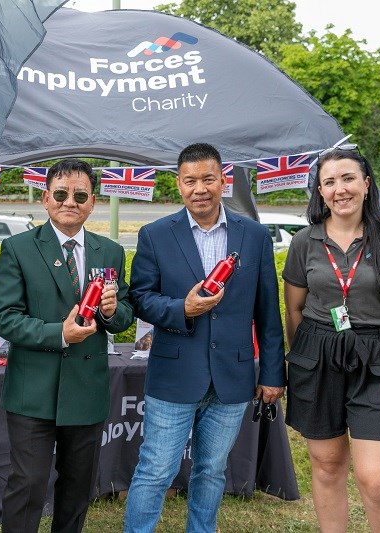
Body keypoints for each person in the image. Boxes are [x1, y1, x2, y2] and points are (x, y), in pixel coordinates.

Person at [124, 142, 285, 533]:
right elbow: (141, 298)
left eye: (208, 178)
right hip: (174, 375)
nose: (200, 188)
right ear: (179, 185)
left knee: (212, 470)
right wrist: (183, 309)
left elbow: (268, 309)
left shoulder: (254, 236)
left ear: (223, 181)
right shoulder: (155, 234)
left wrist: (273, 374)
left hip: (233, 377)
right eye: (190, 180)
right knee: (156, 470)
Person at [282, 146, 380, 531]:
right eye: (329, 182)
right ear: (320, 192)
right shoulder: (304, 243)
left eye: (347, 178)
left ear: (365, 184)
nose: (339, 189)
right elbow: (294, 310)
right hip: (318, 355)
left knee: (376, 480)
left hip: (378, 362)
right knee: (328, 467)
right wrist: (302, 361)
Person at [0, 158, 133, 533]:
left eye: (80, 194)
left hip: (86, 389)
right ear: (45, 198)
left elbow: (124, 315)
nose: (70, 201)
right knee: (27, 486)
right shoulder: (17, 248)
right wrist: (59, 334)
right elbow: (5, 317)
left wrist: (112, 311)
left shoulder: (111, 252)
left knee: (77, 487)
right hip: (32, 391)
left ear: (93, 202)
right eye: (61, 193)